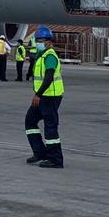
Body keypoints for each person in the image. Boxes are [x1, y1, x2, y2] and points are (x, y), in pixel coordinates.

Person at [24, 26, 65, 168]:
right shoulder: (42, 55)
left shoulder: (50, 56)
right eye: (37, 40)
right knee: (30, 121)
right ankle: (40, 152)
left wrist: (38, 94)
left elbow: (48, 78)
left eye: (40, 40)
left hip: (50, 97)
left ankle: (55, 159)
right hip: (43, 97)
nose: (38, 43)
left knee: (50, 127)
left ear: (49, 42)